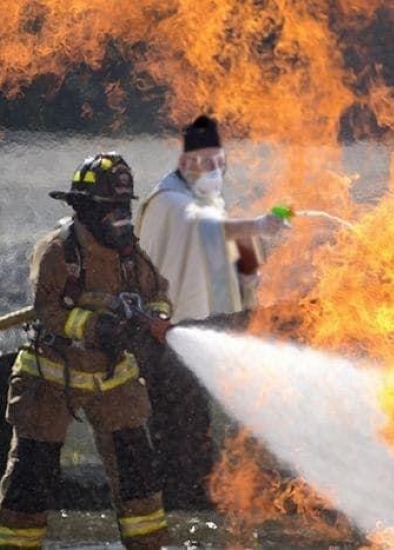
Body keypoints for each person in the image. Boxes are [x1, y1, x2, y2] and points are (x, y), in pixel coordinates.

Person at [0, 152, 173, 550]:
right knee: (31, 477)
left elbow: (158, 291)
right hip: (50, 376)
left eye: (123, 208)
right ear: (86, 210)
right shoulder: (57, 252)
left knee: (137, 475)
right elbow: (49, 311)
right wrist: (96, 328)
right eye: (111, 209)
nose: (120, 218)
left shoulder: (130, 254)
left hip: (113, 379)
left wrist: (154, 320)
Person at [135, 115, 287, 509]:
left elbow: (238, 262)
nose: (214, 172)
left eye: (220, 164)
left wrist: (254, 248)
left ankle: (201, 495)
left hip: (208, 331)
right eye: (205, 163)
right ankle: (176, 500)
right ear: (186, 164)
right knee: (175, 422)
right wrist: (255, 224)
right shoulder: (169, 202)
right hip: (163, 334)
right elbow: (202, 228)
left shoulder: (212, 207)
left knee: (199, 423)